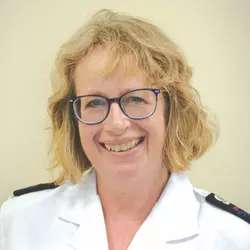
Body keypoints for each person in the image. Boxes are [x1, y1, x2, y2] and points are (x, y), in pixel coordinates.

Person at [0, 9, 249, 250]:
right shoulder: (17, 223)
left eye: (136, 99)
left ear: (172, 111)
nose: (116, 124)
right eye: (95, 103)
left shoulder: (234, 238)